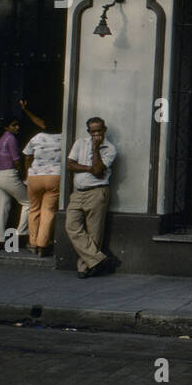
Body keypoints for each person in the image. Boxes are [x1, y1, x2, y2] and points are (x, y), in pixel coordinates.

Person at [65, 117, 118, 278]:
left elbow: (98, 170)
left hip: (97, 192)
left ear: (104, 129)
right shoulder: (80, 143)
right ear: (88, 131)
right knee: (71, 225)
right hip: (78, 192)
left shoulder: (110, 149)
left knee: (94, 233)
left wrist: (95, 149)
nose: (96, 134)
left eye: (99, 131)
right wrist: (88, 167)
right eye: (93, 131)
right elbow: (69, 165)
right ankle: (99, 260)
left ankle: (85, 268)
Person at [20, 100, 63, 257]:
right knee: (48, 211)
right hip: (54, 177)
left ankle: (32, 242)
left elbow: (26, 156)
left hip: (35, 176)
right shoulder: (64, 138)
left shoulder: (37, 137)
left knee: (34, 209)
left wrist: (27, 173)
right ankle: (42, 246)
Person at [0, 117, 29, 249]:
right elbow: (16, 160)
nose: (17, 127)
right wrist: (22, 173)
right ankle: (21, 234)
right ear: (7, 127)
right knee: (29, 202)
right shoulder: (11, 139)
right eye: (13, 125)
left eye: (17, 125)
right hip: (9, 174)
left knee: (2, 206)